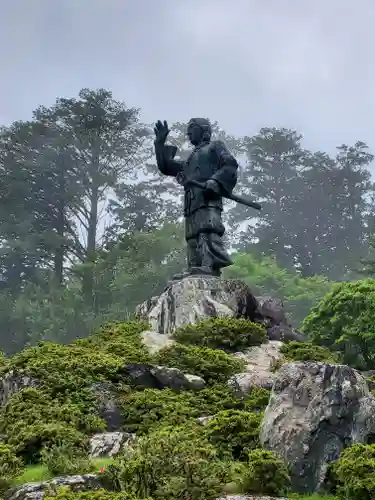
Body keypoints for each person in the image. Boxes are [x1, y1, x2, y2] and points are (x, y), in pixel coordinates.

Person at [154, 118, 238, 278]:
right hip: (192, 202)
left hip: (208, 200)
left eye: (192, 128)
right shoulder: (189, 160)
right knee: (192, 237)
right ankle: (195, 266)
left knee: (207, 230)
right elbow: (167, 166)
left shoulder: (214, 147)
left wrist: (215, 181)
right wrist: (159, 144)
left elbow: (230, 165)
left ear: (204, 130)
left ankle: (210, 265)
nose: (188, 132)